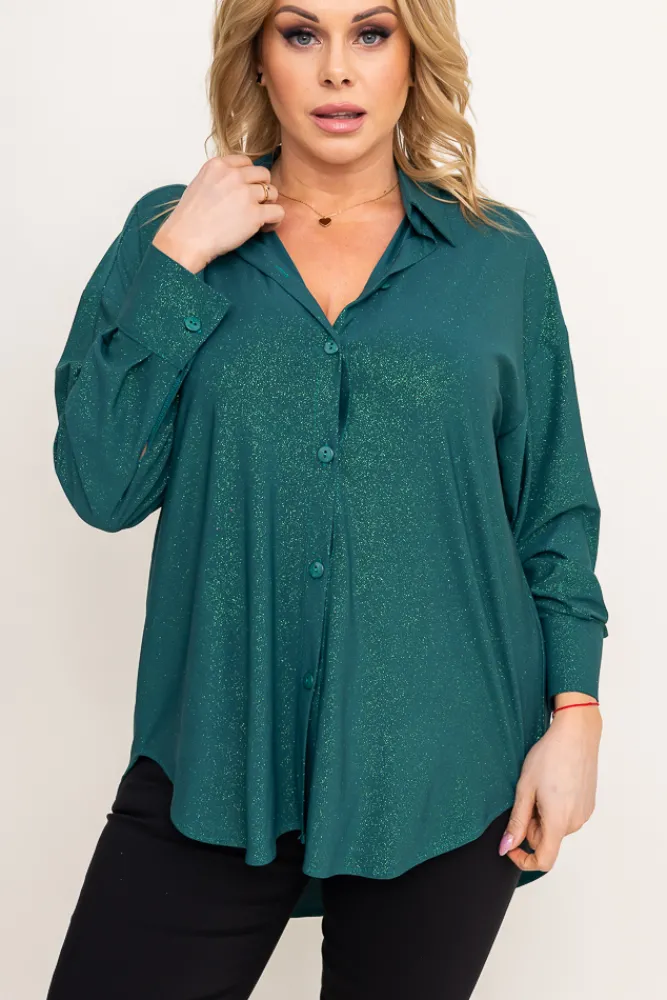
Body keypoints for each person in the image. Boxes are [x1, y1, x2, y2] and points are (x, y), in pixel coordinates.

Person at [46, 1, 609, 997]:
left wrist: (576, 718)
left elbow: (550, 508)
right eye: (301, 34)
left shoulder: (496, 258)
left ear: (412, 56)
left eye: (371, 33)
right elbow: (101, 483)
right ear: (258, 57)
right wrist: (178, 257)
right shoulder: (172, 234)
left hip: (443, 759)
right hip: (217, 750)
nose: (337, 69)